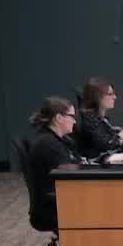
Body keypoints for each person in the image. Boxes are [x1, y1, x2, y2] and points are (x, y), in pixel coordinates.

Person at [23, 97, 81, 231]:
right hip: (51, 210)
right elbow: (71, 177)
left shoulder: (53, 139)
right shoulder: (49, 145)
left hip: (53, 202)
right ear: (59, 118)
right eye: (72, 116)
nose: (75, 121)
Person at [74, 77, 123, 162]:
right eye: (110, 94)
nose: (115, 97)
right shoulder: (88, 120)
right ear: (97, 97)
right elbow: (108, 145)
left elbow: (114, 143)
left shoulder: (101, 119)